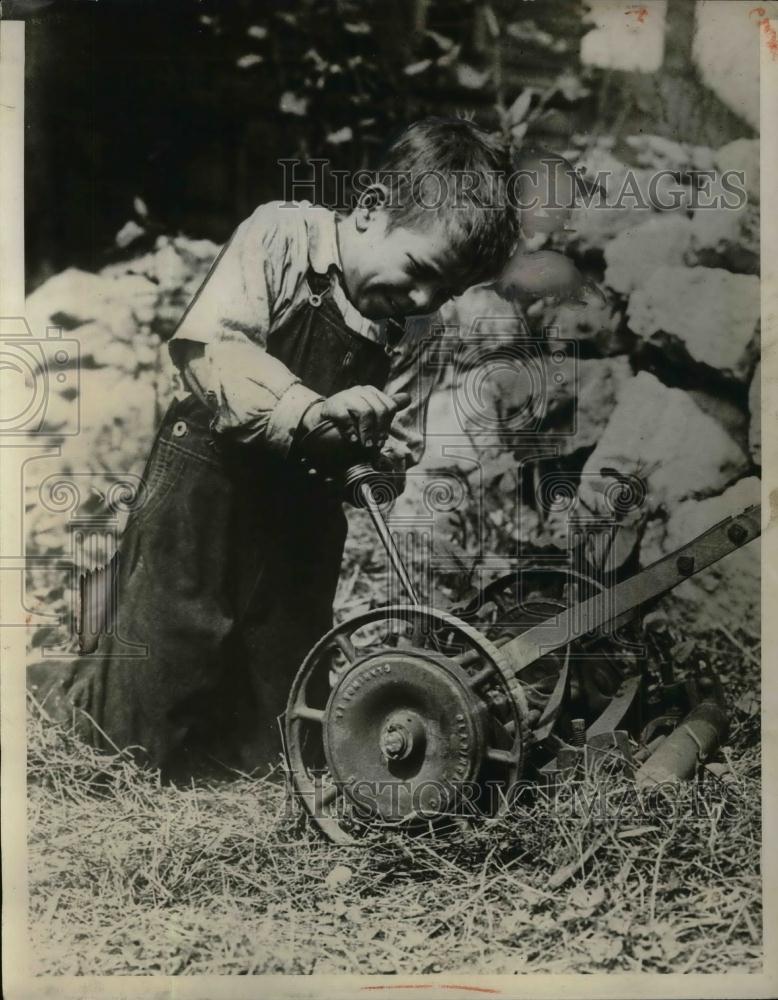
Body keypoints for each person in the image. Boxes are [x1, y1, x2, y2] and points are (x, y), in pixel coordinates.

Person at [29, 117, 520, 779]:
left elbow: (400, 443)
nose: (424, 297)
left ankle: (246, 747)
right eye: (419, 271)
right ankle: (64, 697)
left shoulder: (414, 326)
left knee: (284, 714)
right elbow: (214, 355)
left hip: (302, 513)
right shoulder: (283, 236)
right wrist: (313, 411)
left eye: (448, 291)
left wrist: (374, 449)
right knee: (159, 674)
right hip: (207, 482)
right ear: (373, 210)